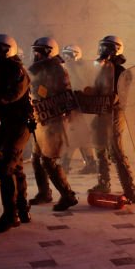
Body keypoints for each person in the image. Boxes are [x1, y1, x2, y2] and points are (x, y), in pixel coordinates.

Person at [0, 34, 32, 231]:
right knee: (16, 167)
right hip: (8, 124)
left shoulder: (16, 71)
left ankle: (11, 216)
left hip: (18, 125)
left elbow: (9, 97)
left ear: (7, 50)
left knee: (4, 168)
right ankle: (22, 209)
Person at [88, 35, 135, 203]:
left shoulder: (121, 71)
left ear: (115, 50)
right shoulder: (102, 69)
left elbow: (123, 95)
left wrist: (111, 98)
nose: (102, 51)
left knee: (116, 151)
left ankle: (131, 191)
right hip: (102, 113)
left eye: (106, 48)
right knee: (100, 148)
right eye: (101, 47)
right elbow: (97, 89)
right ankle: (103, 183)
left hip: (115, 113)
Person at [28, 37, 78, 211]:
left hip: (54, 121)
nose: (35, 55)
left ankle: (67, 195)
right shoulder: (40, 70)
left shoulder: (58, 70)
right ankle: (44, 193)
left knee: (49, 160)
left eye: (39, 51)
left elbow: (64, 95)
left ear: (49, 52)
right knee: (36, 159)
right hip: (41, 120)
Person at [59, 44, 99, 175]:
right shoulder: (70, 69)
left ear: (76, 55)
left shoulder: (78, 70)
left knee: (73, 138)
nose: (65, 57)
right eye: (64, 54)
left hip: (78, 108)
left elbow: (79, 88)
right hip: (75, 108)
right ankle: (90, 163)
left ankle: (65, 165)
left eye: (68, 55)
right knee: (79, 137)